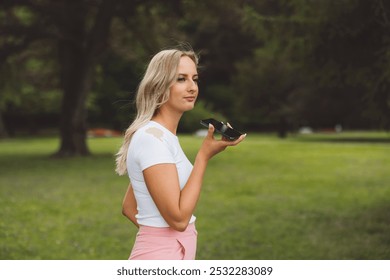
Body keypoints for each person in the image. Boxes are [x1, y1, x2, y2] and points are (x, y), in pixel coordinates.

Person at [115, 47, 246, 260]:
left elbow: (129, 207)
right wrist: (203, 157)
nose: (192, 87)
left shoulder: (161, 136)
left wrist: (169, 239)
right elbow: (178, 220)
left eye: (194, 79)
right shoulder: (152, 139)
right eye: (181, 79)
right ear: (159, 85)